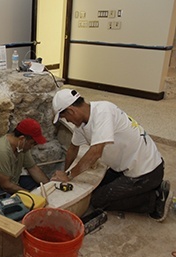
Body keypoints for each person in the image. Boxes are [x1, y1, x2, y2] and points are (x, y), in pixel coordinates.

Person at [51, 88, 171, 222]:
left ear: (71, 111)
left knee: (98, 201)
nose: (67, 120)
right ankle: (145, 191)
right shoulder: (82, 124)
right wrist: (66, 173)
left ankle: (154, 198)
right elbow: (73, 149)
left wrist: (69, 176)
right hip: (124, 168)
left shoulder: (103, 111)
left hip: (146, 172)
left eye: (65, 117)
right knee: (94, 192)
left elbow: (96, 152)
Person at [0, 118, 50, 202]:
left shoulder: (22, 147)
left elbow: (33, 168)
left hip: (11, 182)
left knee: (37, 185)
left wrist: (49, 185)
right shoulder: (1, 152)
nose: (32, 146)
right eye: (32, 143)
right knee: (20, 206)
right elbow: (6, 185)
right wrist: (30, 196)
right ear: (22, 139)